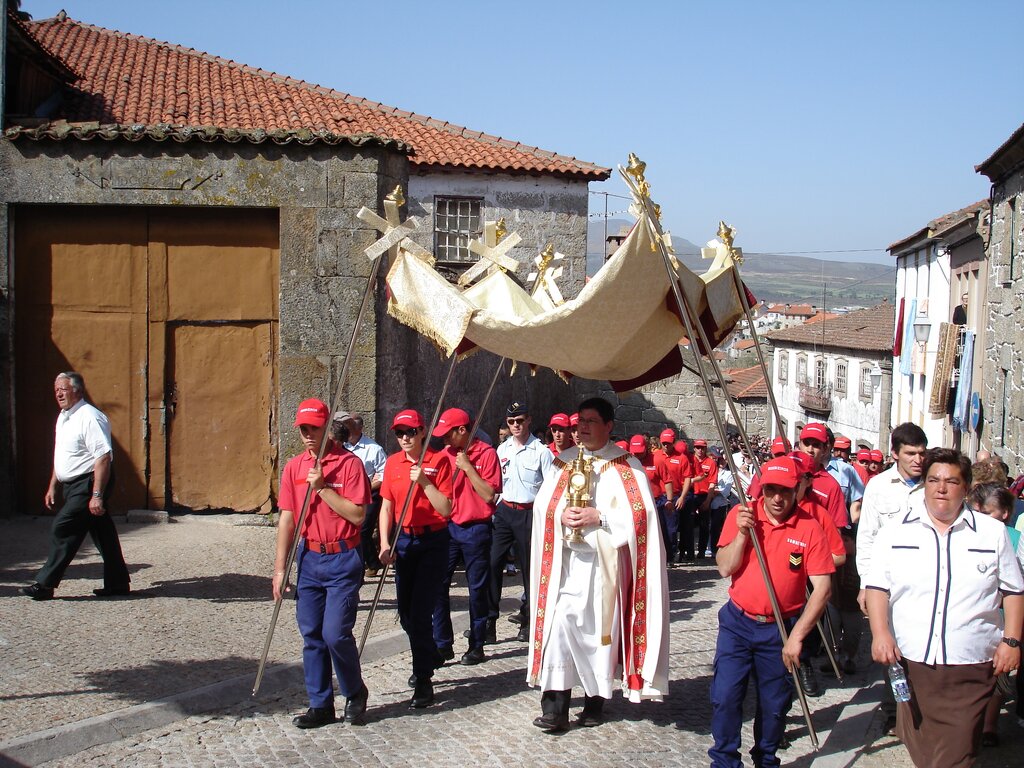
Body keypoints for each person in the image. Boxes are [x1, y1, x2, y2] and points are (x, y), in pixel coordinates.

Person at [865, 449, 1024, 767]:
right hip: (913, 663)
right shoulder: (895, 532)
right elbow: (877, 588)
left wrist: (1011, 641)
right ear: (923, 484)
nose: (941, 488)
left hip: (971, 665)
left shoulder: (991, 534)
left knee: (956, 753)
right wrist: (880, 634)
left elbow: (1014, 590)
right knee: (923, 750)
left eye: (951, 481)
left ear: (965, 488)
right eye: (934, 480)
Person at [527, 397, 669, 732]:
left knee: (600, 637)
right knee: (558, 627)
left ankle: (595, 702)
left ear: (608, 426)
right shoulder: (562, 463)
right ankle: (554, 708)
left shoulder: (627, 467)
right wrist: (559, 515)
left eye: (591, 421)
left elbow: (642, 516)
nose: (583, 428)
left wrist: (599, 516)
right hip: (567, 565)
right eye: (580, 422)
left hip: (605, 571)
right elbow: (542, 507)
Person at [709, 456, 835, 768]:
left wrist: (797, 638)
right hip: (738, 622)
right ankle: (724, 761)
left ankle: (765, 760)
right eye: (771, 490)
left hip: (780, 628)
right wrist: (741, 534)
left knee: (775, 704)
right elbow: (725, 567)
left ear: (797, 491)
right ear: (762, 489)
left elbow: (822, 589)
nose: (778, 498)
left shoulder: (809, 528)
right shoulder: (743, 516)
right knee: (725, 696)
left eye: (786, 490)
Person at [273, 398, 372, 728]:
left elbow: (357, 516)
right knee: (311, 633)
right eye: (302, 429)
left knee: (335, 633)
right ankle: (320, 703)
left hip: (344, 557)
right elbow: (287, 519)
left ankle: (354, 691)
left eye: (313, 428)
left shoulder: (349, 465)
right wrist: (279, 568)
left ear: (328, 427)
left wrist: (324, 489)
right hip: (310, 557)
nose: (307, 435)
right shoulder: (294, 467)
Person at [22, 372, 131, 601]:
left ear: (78, 391)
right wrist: (53, 484)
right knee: (103, 532)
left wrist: (97, 495)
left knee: (64, 527)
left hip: (89, 482)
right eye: (56, 390)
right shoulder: (64, 417)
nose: (58, 393)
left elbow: (103, 457)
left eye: (63, 389)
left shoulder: (90, 417)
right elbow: (62, 455)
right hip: (72, 484)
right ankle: (118, 583)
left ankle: (45, 584)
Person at [379, 409, 454, 708]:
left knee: (421, 612)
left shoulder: (439, 461)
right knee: (407, 615)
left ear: (422, 432)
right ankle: (432, 653)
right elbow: (386, 506)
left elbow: (446, 508)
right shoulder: (393, 463)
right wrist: (384, 541)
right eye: (400, 433)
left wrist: (424, 481)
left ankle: (422, 679)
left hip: (433, 540)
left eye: (410, 432)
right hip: (405, 540)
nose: (405, 438)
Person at [431, 408, 501, 667]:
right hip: (448, 528)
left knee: (477, 589)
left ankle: (477, 643)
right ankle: (442, 643)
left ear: (462, 430)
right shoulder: (443, 455)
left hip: (476, 529)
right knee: (438, 585)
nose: (444, 440)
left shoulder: (487, 453)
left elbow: (488, 495)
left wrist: (469, 468)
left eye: (448, 434)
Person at [489, 402, 554, 641]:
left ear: (529, 420)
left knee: (529, 569)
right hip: (505, 511)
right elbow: (497, 484)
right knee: (493, 563)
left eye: (519, 420)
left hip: (529, 513)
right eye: (511, 422)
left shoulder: (541, 452)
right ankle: (489, 621)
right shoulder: (502, 449)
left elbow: (550, 487)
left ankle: (528, 620)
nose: (515, 425)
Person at [970, 483, 1022, 746]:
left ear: (1003, 513)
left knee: (997, 674)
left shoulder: (1013, 537)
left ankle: (989, 726)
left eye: (987, 512)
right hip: (974, 615)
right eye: (976, 511)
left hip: (1002, 615)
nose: (980, 517)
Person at [332, 412, 387, 578]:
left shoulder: (374, 449)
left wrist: (365, 487)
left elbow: (384, 475)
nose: (345, 428)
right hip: (344, 496)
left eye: (349, 425)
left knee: (363, 530)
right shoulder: (340, 447)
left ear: (358, 427)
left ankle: (371, 562)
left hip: (370, 494)